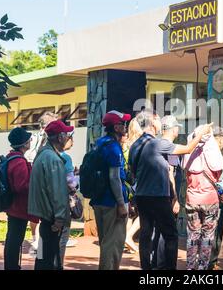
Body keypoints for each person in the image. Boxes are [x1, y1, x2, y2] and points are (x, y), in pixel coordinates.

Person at [129, 110, 213, 270]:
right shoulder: (158, 144)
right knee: (171, 235)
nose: (160, 123)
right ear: (153, 123)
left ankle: (146, 269)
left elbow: (133, 172)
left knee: (145, 235)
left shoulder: (135, 145)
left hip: (141, 196)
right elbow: (188, 149)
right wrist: (201, 133)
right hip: (158, 197)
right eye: (158, 119)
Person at [28, 120, 72, 270]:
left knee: (42, 258)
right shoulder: (53, 159)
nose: (68, 137)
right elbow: (57, 192)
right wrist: (60, 218)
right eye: (66, 134)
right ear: (60, 137)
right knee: (51, 260)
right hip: (51, 218)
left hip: (44, 217)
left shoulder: (43, 155)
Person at [90, 110, 130, 270]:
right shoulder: (113, 147)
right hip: (112, 202)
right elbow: (114, 177)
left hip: (99, 200)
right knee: (112, 245)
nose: (125, 126)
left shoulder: (100, 143)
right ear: (116, 127)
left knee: (105, 241)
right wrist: (121, 203)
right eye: (123, 124)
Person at [182, 123, 223, 270]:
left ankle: (190, 266)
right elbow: (218, 175)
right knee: (207, 236)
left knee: (193, 235)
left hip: (192, 200)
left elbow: (185, 171)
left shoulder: (189, 153)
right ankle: (203, 267)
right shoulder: (213, 152)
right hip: (210, 201)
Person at [4, 127, 39, 270]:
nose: (30, 141)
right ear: (24, 144)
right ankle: (12, 266)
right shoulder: (19, 161)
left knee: (13, 238)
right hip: (19, 208)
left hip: (13, 206)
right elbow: (21, 186)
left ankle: (11, 265)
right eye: (28, 139)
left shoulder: (11, 157)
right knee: (15, 240)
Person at [25, 112, 58, 255]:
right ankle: (38, 243)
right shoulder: (37, 139)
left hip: (39, 178)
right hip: (38, 179)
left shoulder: (43, 139)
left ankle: (38, 242)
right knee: (40, 212)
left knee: (39, 213)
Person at [208, 127, 223, 270]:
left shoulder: (210, 154)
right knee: (215, 232)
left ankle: (212, 262)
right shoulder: (215, 154)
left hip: (212, 197)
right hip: (216, 198)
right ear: (219, 139)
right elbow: (216, 181)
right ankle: (211, 263)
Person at [59, 131, 79, 266]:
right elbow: (71, 183)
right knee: (62, 239)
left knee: (45, 238)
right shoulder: (66, 158)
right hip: (62, 203)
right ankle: (59, 265)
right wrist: (78, 177)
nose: (72, 140)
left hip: (45, 203)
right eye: (70, 137)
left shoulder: (42, 155)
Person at [124, 118, 143, 254]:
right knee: (144, 213)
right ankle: (129, 236)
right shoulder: (139, 145)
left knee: (130, 214)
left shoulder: (125, 144)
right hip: (137, 184)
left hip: (125, 185)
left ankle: (127, 241)